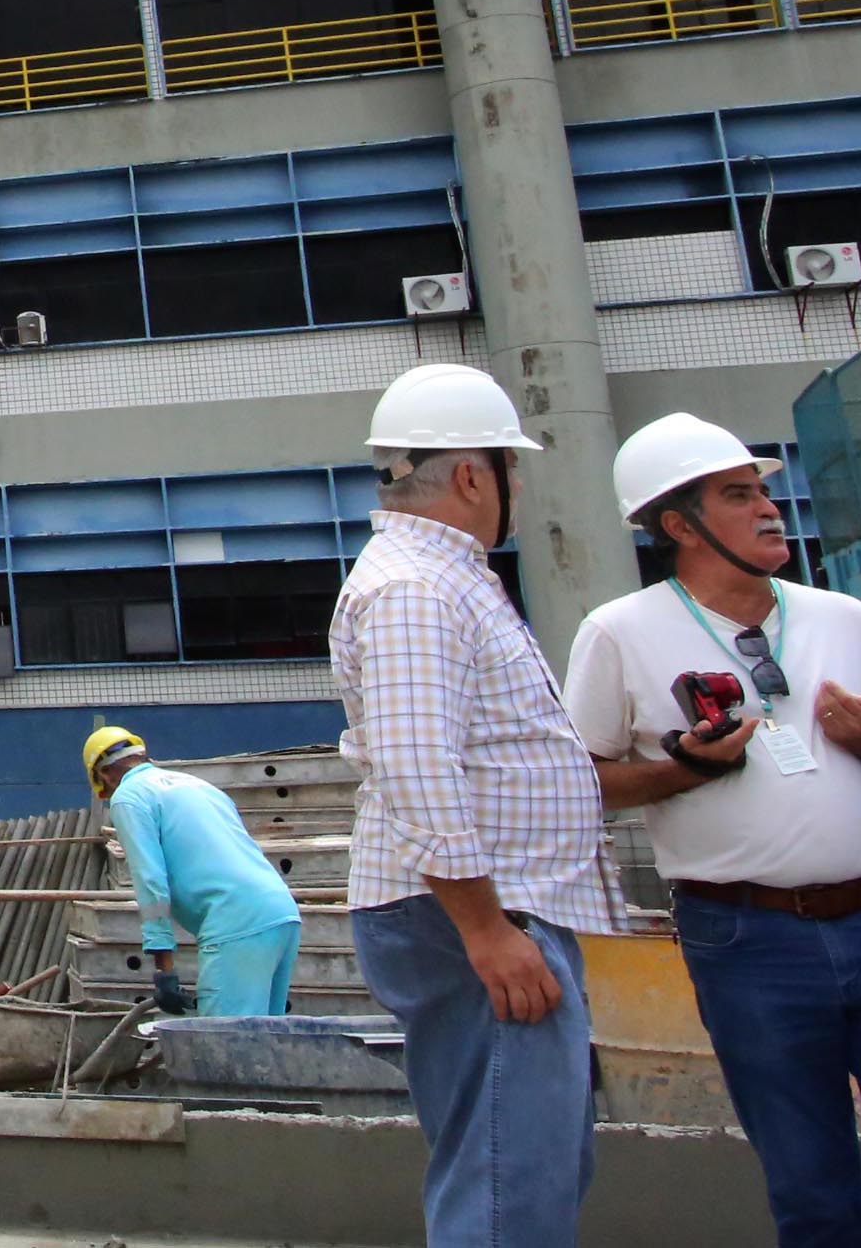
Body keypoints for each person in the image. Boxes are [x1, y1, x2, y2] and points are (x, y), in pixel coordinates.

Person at [568, 412, 861, 1248]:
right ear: (678, 524)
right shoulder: (618, 633)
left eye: (763, 493)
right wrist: (685, 771)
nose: (768, 510)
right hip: (746, 939)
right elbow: (577, 784)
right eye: (737, 496)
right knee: (810, 1188)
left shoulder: (845, 618)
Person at [330, 362, 626, 1248]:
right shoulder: (415, 590)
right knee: (509, 1186)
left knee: (530, 1166)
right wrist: (488, 930)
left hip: (482, 913)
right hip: (470, 918)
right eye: (509, 466)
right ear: (470, 475)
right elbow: (417, 763)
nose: (517, 486)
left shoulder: (442, 578)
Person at [84, 726, 301, 1016]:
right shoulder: (199, 786)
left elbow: (150, 882)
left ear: (105, 775)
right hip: (281, 913)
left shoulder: (128, 797)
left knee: (223, 1047)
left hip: (235, 921)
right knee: (266, 1044)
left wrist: (164, 971)